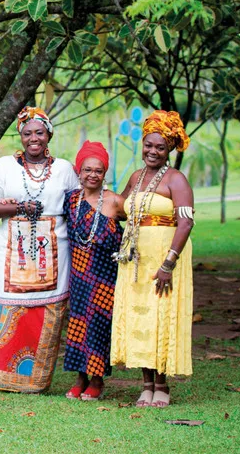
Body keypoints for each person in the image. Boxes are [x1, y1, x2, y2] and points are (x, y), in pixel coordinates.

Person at [0, 106, 79, 393]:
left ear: (49, 134)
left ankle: (37, 381)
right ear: (20, 136)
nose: (33, 138)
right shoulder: (4, 166)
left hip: (54, 252)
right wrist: (19, 207)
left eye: (39, 132)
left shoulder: (64, 169)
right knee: (14, 310)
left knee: (48, 310)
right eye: (27, 133)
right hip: (12, 253)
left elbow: (77, 205)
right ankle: (5, 378)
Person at [111, 110, 194, 408]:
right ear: (142, 143)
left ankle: (162, 386)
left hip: (164, 257)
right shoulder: (135, 177)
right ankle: (146, 384)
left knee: (160, 316)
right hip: (135, 258)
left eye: (160, 147)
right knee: (139, 315)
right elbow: (119, 209)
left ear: (169, 148)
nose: (153, 151)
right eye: (148, 144)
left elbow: (185, 222)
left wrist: (168, 264)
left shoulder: (176, 179)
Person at [63, 141, 124, 400]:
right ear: (79, 171)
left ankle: (97, 380)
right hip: (78, 276)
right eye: (87, 169)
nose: (92, 175)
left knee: (99, 326)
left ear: (104, 173)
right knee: (77, 326)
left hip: (104, 278)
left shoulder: (116, 202)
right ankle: (80, 377)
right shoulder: (71, 200)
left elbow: (138, 226)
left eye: (98, 170)